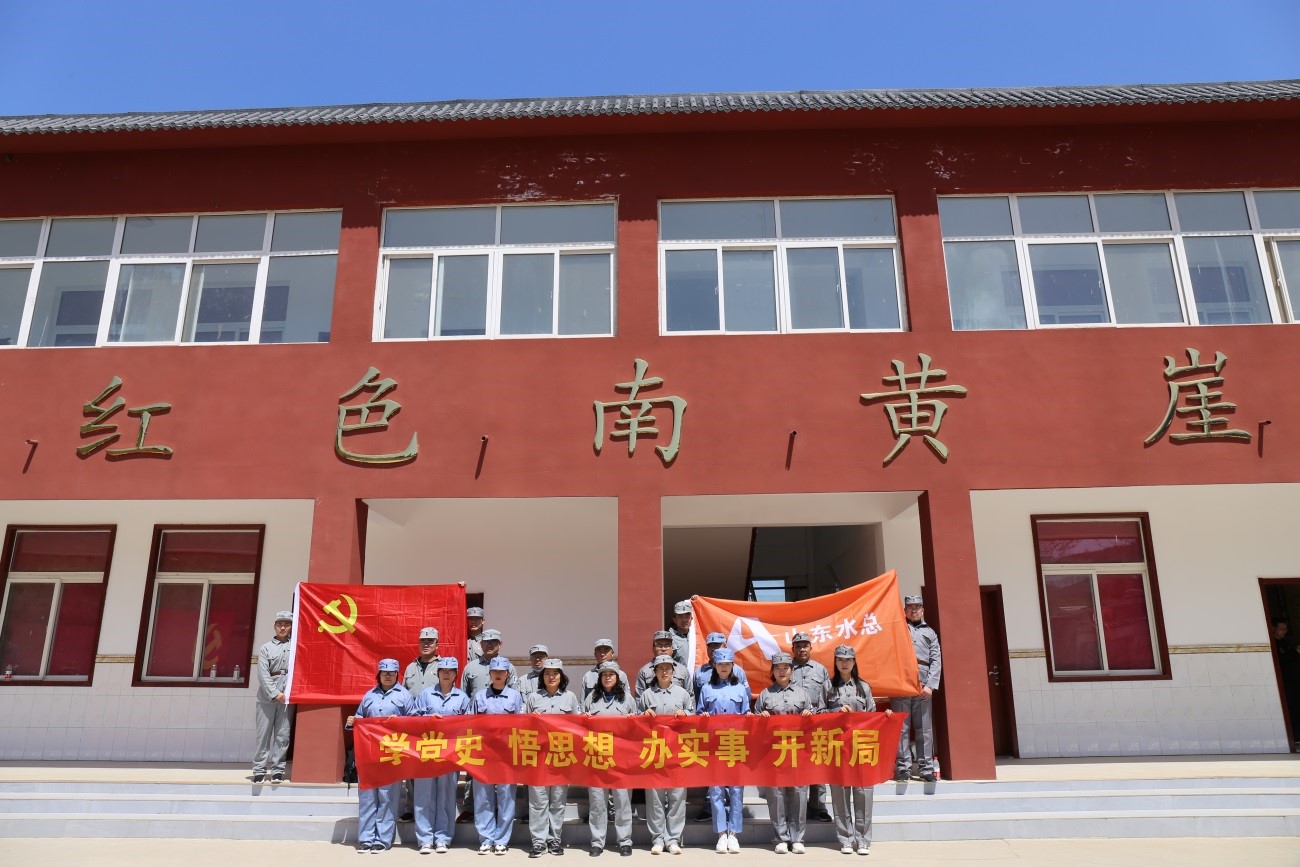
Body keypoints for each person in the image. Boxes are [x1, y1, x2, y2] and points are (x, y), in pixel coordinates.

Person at [824, 645, 892, 855]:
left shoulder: (863, 687)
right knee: (840, 794)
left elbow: (872, 715)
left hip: (861, 747)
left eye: (848, 659)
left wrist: (886, 717)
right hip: (837, 747)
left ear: (854, 662)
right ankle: (846, 839)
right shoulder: (828, 686)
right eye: (840, 659)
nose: (844, 663)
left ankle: (863, 840)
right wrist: (836, 711)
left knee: (863, 793)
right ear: (835, 662)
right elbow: (818, 713)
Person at [346, 658, 413, 853]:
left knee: (387, 797)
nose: (388, 676)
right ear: (379, 674)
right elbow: (360, 717)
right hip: (369, 754)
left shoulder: (405, 695)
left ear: (397, 675)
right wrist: (352, 722)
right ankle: (366, 839)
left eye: (391, 673)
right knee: (368, 797)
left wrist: (400, 721)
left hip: (393, 754)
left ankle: (382, 840)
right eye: (384, 673)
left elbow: (414, 721)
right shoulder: (369, 695)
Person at [753, 651, 813, 854]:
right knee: (776, 795)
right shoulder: (765, 694)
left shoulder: (802, 694)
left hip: (798, 752)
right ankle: (780, 837)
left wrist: (809, 714)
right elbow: (754, 723)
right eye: (777, 668)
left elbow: (814, 721)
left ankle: (797, 838)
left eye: (785, 668)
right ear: (772, 671)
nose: (781, 671)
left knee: (798, 793)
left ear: (792, 670)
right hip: (774, 753)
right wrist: (760, 716)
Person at [411, 656, 472, 854]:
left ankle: (443, 838)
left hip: (450, 754)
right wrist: (429, 719)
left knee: (446, 797)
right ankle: (425, 839)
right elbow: (412, 719)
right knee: (423, 796)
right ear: (437, 673)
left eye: (450, 671)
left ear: (456, 674)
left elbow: (469, 725)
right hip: (426, 753)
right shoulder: (425, 695)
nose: (446, 674)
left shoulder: (462, 698)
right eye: (442, 671)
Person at [524, 658, 581, 858]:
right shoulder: (533, 698)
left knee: (557, 800)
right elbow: (523, 727)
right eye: (547, 673)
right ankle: (538, 842)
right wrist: (531, 719)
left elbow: (578, 726)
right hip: (538, 757)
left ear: (561, 676)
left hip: (561, 757)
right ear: (542, 676)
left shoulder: (570, 698)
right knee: (538, 801)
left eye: (555, 673)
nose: (551, 676)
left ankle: (555, 839)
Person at [638, 655, 694, 855]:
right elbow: (635, 721)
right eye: (660, 668)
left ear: (673, 671)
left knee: (677, 796)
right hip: (654, 752)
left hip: (677, 752)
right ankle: (658, 839)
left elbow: (693, 715)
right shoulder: (646, 695)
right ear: (654, 672)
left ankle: (673, 839)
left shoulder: (682, 694)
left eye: (668, 668)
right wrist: (644, 715)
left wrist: (686, 714)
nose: (664, 672)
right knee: (655, 797)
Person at [697, 647, 750, 854]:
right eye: (720, 664)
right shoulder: (707, 689)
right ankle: (721, 834)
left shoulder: (740, 689)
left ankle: (734, 834)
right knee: (716, 791)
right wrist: (703, 717)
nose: (724, 668)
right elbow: (699, 714)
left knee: (736, 790)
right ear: (715, 666)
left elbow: (746, 714)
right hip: (714, 747)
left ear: (733, 666)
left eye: (727, 664)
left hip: (735, 745)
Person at [583, 661, 637, 857]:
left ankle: (624, 841)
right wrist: (585, 718)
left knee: (622, 800)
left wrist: (632, 721)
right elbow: (582, 728)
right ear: (599, 678)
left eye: (611, 674)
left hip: (621, 759)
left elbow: (637, 730)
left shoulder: (628, 700)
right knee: (598, 801)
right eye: (604, 674)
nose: (607, 677)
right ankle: (597, 842)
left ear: (618, 678)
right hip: (597, 757)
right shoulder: (591, 698)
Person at [472, 656, 523, 854]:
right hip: (483, 754)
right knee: (483, 797)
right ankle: (486, 838)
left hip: (506, 755)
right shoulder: (479, 696)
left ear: (507, 674)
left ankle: (501, 839)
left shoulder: (515, 697)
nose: (498, 675)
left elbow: (522, 725)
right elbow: (470, 724)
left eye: (502, 672)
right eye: (495, 671)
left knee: (506, 797)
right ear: (490, 674)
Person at [895, 595, 942, 783]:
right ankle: (903, 769)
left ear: (923, 610)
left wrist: (930, 685)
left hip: (923, 683)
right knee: (901, 728)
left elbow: (936, 660)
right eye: (910, 607)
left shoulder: (930, 633)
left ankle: (926, 769)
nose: (913, 610)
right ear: (904, 610)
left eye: (917, 607)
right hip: (901, 682)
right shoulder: (898, 628)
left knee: (924, 728)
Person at [789, 632, 832, 821]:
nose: (802, 649)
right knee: (795, 764)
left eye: (805, 645)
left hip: (816, 723)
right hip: (793, 724)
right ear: (793, 649)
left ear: (811, 648)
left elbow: (829, 696)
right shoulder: (786, 667)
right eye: (798, 646)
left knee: (818, 763)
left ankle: (818, 806)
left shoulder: (820, 670)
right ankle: (795, 806)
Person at [401, 626, 442, 821]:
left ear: (437, 644)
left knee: (435, 768)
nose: (426, 644)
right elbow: (403, 694)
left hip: (436, 727)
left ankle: (434, 808)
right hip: (414, 725)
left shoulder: (443, 666)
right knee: (412, 766)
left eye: (430, 641)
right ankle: (412, 807)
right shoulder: (410, 668)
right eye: (423, 641)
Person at [252, 610, 293, 784]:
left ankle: (277, 770)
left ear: (291, 627)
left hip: (287, 698)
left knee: (282, 735)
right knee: (263, 734)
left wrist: (288, 693)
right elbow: (263, 674)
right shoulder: (266, 648)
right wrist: (275, 693)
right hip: (267, 698)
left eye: (286, 624)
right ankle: (259, 770)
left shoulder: (296, 646)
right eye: (279, 624)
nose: (283, 628)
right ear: (275, 627)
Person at [462, 629, 519, 699]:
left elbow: (515, 695)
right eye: (486, 642)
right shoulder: (470, 667)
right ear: (481, 644)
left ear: (500, 644)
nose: (489, 645)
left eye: (493, 641)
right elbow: (464, 696)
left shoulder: (509, 667)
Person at [692, 633, 749, 697]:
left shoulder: (737, 671)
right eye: (710, 646)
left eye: (717, 646)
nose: (713, 649)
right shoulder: (699, 672)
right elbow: (696, 698)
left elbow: (746, 697)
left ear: (725, 647)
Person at [1274, 621, 1300, 744]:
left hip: (1293, 681)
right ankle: (1294, 736)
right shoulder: (1273, 644)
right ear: (1273, 628)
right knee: (1291, 709)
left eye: (1286, 629)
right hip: (1285, 682)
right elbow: (1281, 661)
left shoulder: (1285, 643)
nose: (1284, 631)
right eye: (1282, 628)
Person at [669, 600, 692, 667]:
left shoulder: (697, 637)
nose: (684, 620)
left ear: (691, 618)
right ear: (674, 619)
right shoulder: (669, 638)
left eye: (687, 616)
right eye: (680, 616)